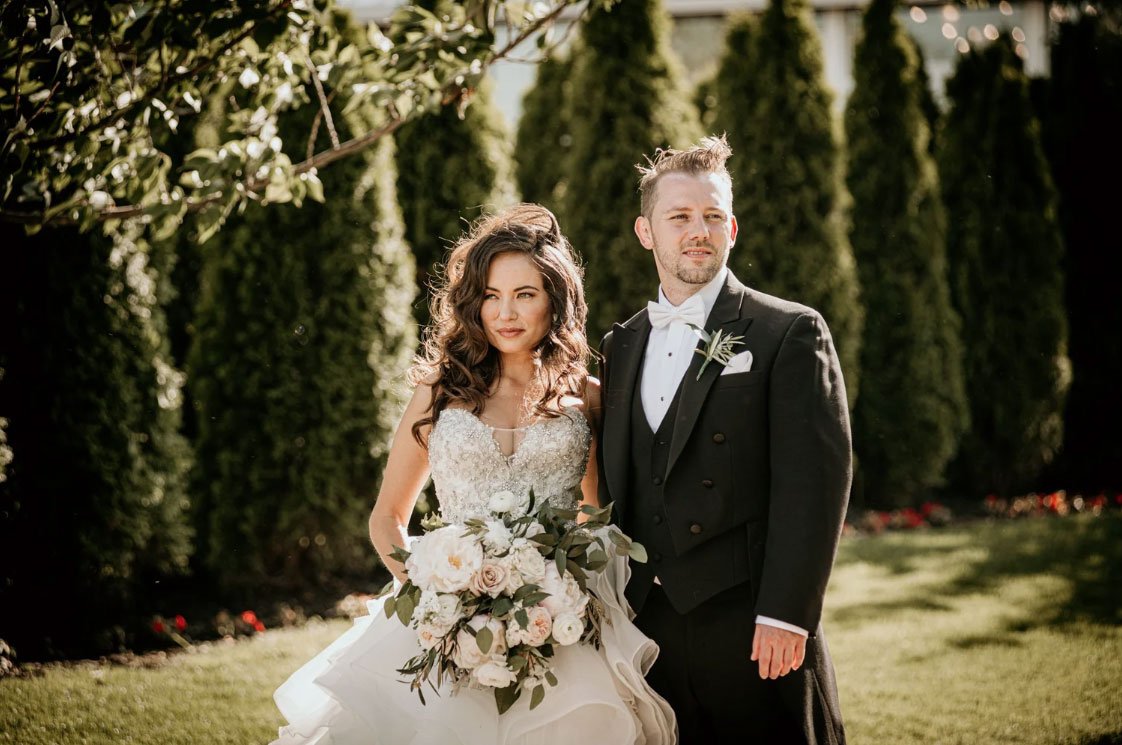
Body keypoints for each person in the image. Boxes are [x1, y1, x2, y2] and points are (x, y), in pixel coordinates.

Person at [270, 204, 676, 745]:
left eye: (525, 294)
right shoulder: (439, 391)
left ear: (555, 300)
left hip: (557, 630)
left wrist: (555, 598)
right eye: (491, 295)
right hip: (438, 628)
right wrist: (442, 601)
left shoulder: (589, 399)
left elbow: (600, 518)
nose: (505, 312)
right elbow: (388, 520)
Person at [597, 136, 851, 744]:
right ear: (645, 232)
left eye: (713, 216)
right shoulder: (620, 346)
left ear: (732, 228)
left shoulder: (788, 331)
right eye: (679, 217)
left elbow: (813, 484)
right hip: (649, 629)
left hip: (754, 626)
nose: (698, 231)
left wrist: (787, 613)